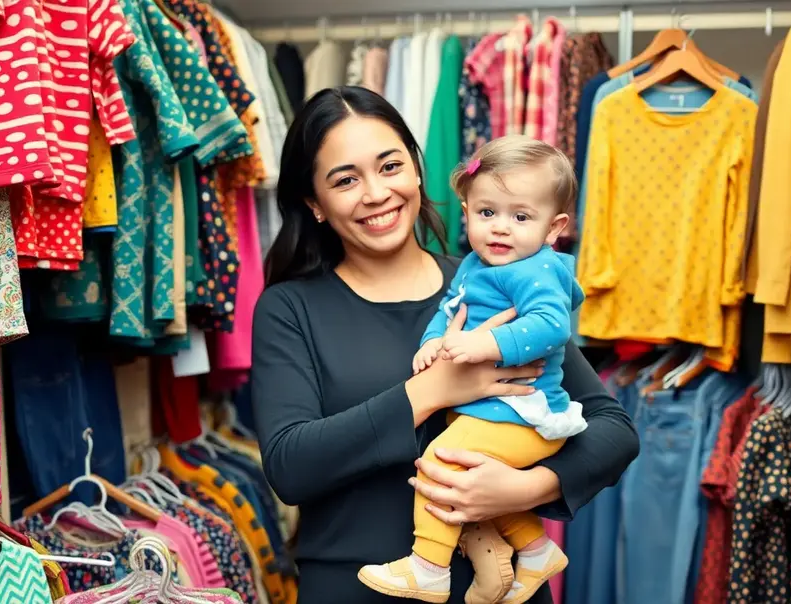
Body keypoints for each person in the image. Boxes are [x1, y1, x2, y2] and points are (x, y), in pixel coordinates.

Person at [252, 86, 639, 604]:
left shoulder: (494, 280)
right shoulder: (289, 309)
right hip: (355, 587)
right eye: (345, 180)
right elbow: (290, 468)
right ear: (315, 204)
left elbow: (615, 431)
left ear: (416, 169)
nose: (375, 193)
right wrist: (432, 390)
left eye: (389, 167)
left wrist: (527, 489)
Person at [358, 136, 590, 604]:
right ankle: (537, 549)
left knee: (441, 467)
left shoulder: (537, 271)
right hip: (492, 413)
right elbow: (451, 309)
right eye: (487, 213)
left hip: (525, 414)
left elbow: (550, 325)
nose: (500, 229)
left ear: (553, 228)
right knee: (473, 488)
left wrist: (483, 343)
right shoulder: (474, 264)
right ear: (467, 212)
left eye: (520, 217)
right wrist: (432, 345)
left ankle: (427, 570)